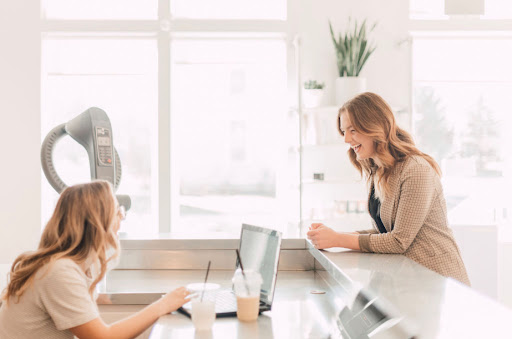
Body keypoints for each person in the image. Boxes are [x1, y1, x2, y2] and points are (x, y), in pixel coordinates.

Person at [306, 92, 470, 286]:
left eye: (353, 130)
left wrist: (338, 239)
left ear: (375, 127)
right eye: (344, 131)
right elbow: (383, 233)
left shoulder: (416, 170)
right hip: (409, 282)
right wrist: (333, 236)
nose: (346, 139)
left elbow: (399, 241)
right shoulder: (381, 171)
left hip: (437, 281)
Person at [0, 181, 190, 338]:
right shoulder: (59, 271)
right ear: (98, 222)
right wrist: (162, 305)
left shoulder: (70, 265)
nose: (121, 217)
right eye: (118, 211)